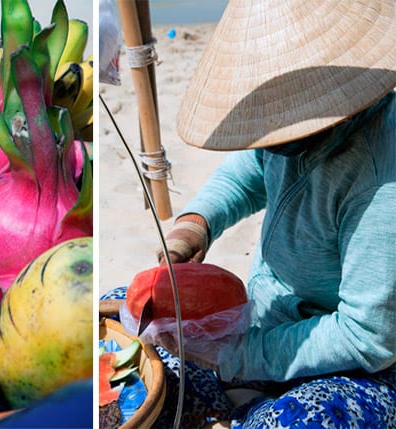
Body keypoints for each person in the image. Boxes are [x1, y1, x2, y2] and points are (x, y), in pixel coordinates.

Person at [102, 0, 396, 427]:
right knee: (123, 315)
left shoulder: (379, 181)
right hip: (262, 324)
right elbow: (250, 171)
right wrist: (195, 224)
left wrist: (239, 357)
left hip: (348, 361)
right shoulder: (293, 134)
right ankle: (238, 399)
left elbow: (367, 336)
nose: (271, 138)